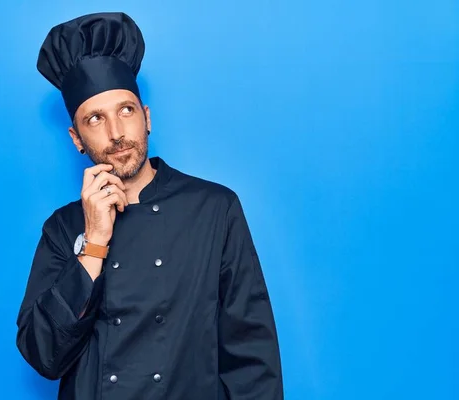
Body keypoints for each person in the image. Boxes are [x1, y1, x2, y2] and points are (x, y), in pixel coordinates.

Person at [16, 11, 284, 400]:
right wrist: (94, 244)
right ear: (77, 138)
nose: (116, 133)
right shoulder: (62, 228)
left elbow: (252, 357)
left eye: (126, 111)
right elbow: (44, 357)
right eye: (95, 118)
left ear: (146, 118)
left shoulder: (214, 209)